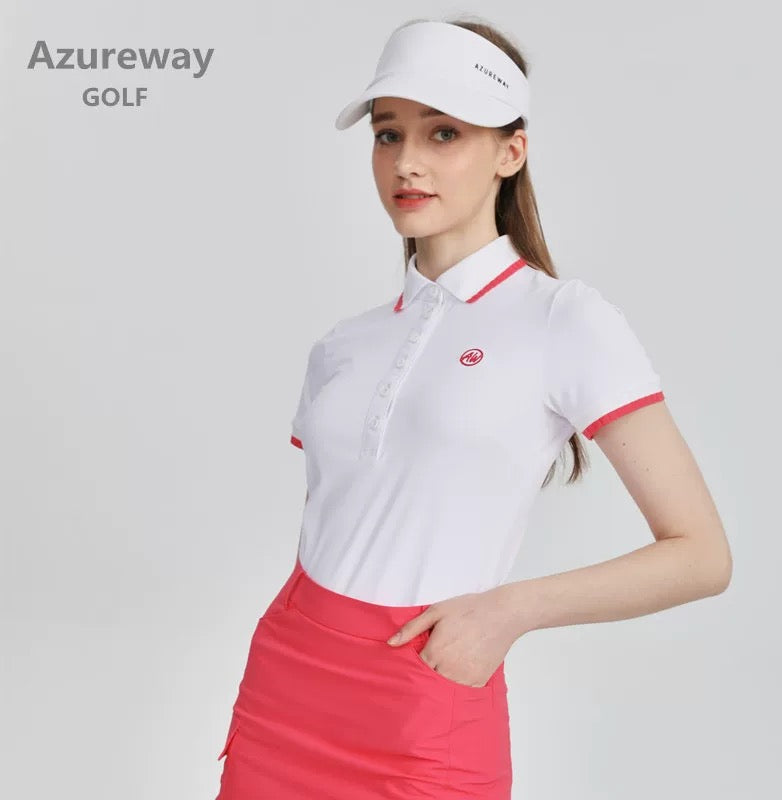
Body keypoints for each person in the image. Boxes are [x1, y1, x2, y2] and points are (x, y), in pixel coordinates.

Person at [214, 16, 732, 800]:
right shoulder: (344, 345)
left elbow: (702, 555)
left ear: (510, 152)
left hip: (426, 705)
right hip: (288, 687)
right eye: (388, 134)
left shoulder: (564, 321)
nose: (407, 161)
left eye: (444, 133)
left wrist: (509, 611)